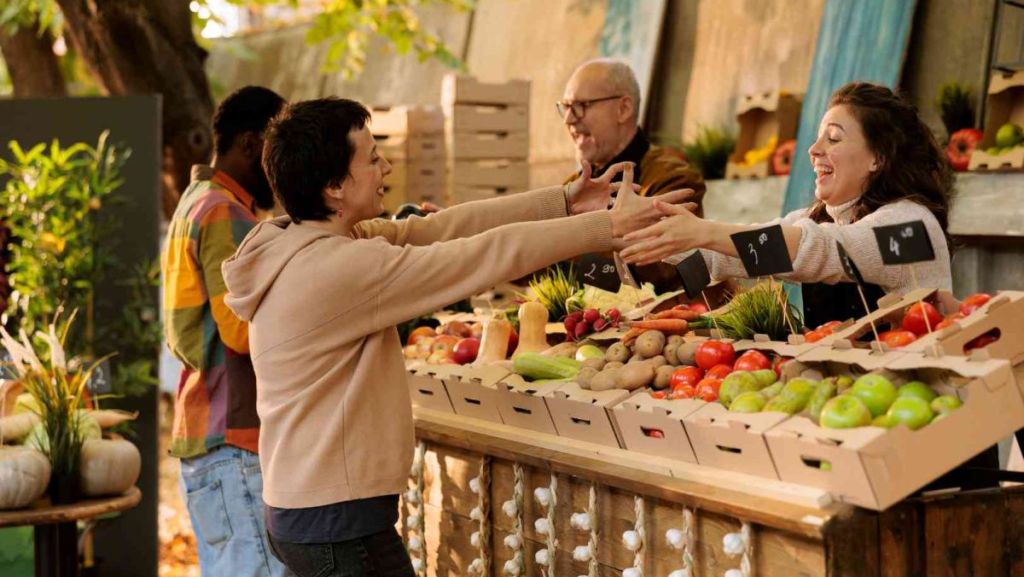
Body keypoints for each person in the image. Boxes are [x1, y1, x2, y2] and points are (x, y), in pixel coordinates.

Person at [220, 97, 692, 576]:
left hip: (312, 510)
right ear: (334, 186)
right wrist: (605, 227)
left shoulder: (305, 241)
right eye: (371, 158)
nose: (385, 165)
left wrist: (565, 201)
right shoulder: (338, 268)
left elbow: (441, 229)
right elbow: (481, 255)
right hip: (336, 521)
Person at [620, 82, 954, 328]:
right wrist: (638, 234)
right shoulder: (820, 217)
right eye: (819, 137)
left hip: (922, 399)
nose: (813, 149)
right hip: (849, 391)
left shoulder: (912, 227)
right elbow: (727, 257)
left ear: (878, 158)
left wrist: (703, 231)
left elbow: (822, 251)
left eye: (833, 138)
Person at [162, 85, 288, 576]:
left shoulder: (194, 201)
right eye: (276, 151)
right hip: (234, 440)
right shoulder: (223, 211)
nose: (281, 169)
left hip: (206, 437)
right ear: (253, 144)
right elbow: (239, 330)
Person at [559, 58, 706, 289]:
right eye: (566, 107)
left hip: (666, 320)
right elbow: (522, 265)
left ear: (623, 109)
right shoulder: (572, 186)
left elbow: (656, 270)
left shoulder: (672, 177)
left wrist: (552, 251)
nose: (569, 119)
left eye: (581, 106)